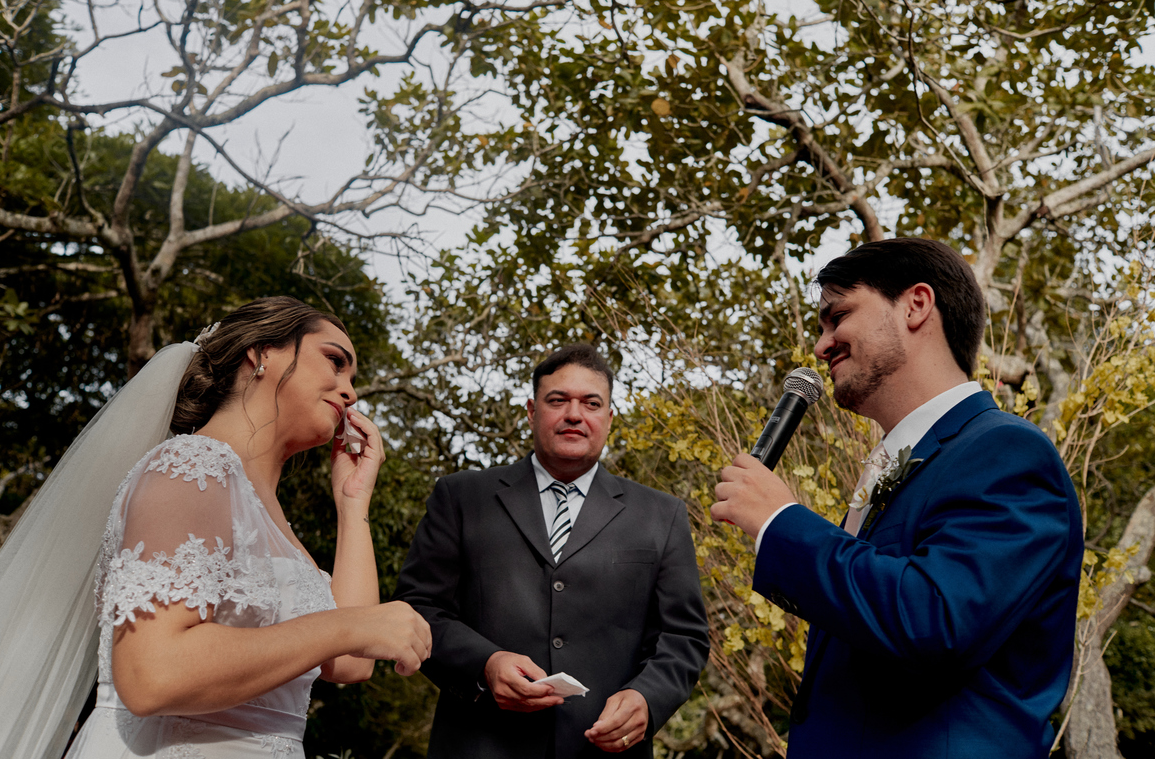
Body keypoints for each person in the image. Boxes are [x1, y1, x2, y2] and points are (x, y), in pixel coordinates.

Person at [0, 296, 430, 759]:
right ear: (262, 353)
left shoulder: (265, 513)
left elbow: (352, 660)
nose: (350, 391)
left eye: (352, 378)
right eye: (335, 361)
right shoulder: (191, 467)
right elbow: (153, 674)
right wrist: (347, 626)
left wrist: (353, 505)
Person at [711, 239, 1084, 758]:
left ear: (916, 305)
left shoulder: (1006, 449)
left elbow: (935, 620)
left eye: (837, 316)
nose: (821, 345)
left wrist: (781, 522)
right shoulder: (900, 463)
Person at [394, 343, 709, 758]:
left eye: (591, 403)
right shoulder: (461, 497)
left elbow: (684, 635)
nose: (574, 414)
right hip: (480, 744)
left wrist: (647, 700)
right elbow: (418, 608)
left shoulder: (661, 514)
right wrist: (484, 664)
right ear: (531, 411)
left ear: (609, 418)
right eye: (557, 400)